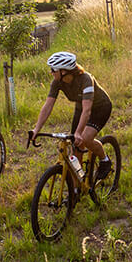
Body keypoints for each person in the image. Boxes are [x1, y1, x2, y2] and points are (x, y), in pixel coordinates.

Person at [29, 51, 113, 181]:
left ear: (64, 71)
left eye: (53, 70)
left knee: (85, 138)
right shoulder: (57, 82)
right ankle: (77, 187)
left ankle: (105, 160)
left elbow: (87, 110)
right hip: (81, 108)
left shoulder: (86, 79)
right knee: (76, 146)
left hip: (100, 108)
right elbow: (48, 106)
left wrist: (79, 132)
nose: (50, 72)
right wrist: (36, 129)